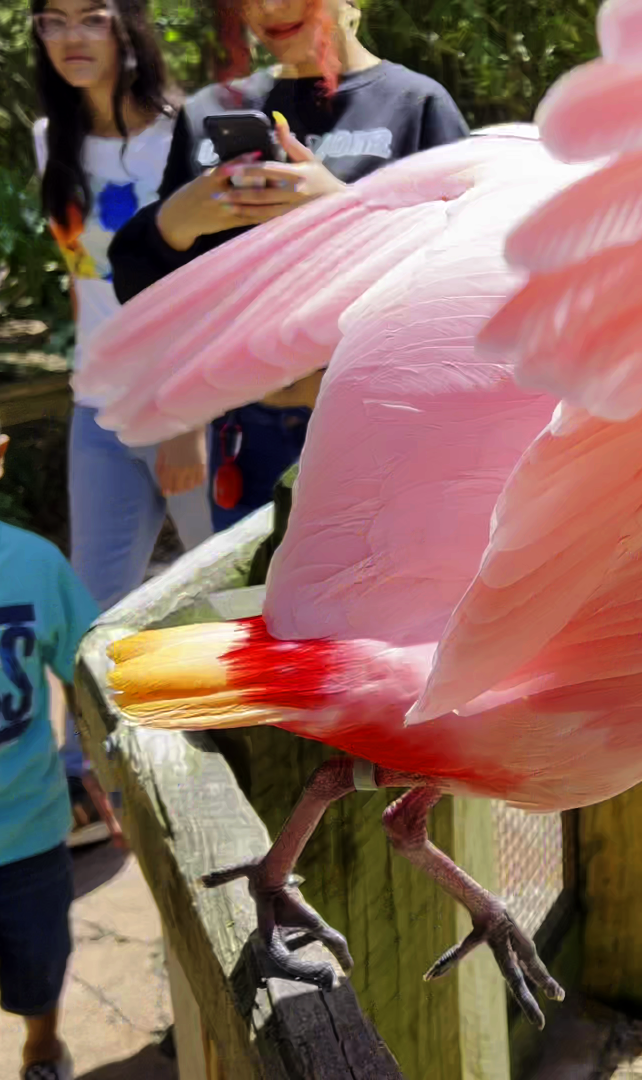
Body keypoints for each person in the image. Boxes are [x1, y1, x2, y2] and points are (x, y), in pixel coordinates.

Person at [110, 0, 471, 531]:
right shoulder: (213, 111)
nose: (271, 8)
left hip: (377, 427)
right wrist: (175, 224)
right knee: (252, 607)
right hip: (247, 434)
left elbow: (467, 273)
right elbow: (146, 291)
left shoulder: (416, 104)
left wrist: (344, 208)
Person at [31, 0, 215, 615]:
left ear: (128, 23)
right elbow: (85, 281)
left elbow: (213, 282)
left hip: (193, 406)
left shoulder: (189, 131)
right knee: (95, 615)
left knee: (235, 599)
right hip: (101, 408)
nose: (70, 36)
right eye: (52, 20)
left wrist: (190, 415)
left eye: (91, 17)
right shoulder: (49, 140)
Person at [0, 420, 101, 1080]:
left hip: (29, 833)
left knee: (39, 965)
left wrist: (103, 775)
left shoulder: (36, 563)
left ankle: (43, 1047)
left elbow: (89, 676)